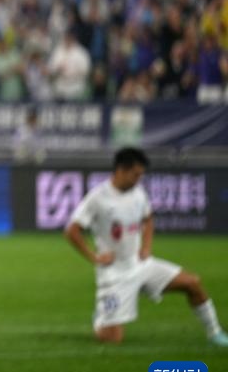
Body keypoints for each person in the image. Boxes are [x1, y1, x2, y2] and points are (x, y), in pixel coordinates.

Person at [64, 147, 228, 345]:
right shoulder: (98, 197)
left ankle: (215, 333)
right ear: (121, 170)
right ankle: (102, 316)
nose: (138, 179)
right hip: (115, 274)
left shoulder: (138, 193)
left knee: (192, 283)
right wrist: (94, 257)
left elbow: (148, 219)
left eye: (141, 175)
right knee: (111, 339)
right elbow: (72, 231)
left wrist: (146, 247)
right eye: (135, 174)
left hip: (141, 265)